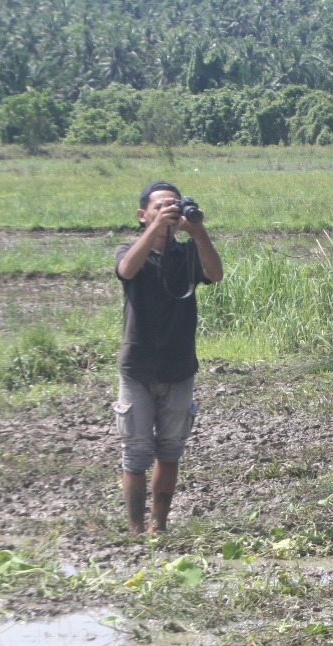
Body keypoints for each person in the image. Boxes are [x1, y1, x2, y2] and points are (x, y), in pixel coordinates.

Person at [114, 181, 223, 535]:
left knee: (170, 450)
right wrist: (155, 230)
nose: (169, 212)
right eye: (161, 207)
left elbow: (215, 274)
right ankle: (135, 528)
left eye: (174, 206)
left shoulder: (188, 253)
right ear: (142, 215)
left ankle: (157, 527)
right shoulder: (130, 249)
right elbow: (127, 271)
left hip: (179, 367)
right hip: (138, 367)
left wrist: (198, 232)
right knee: (136, 451)